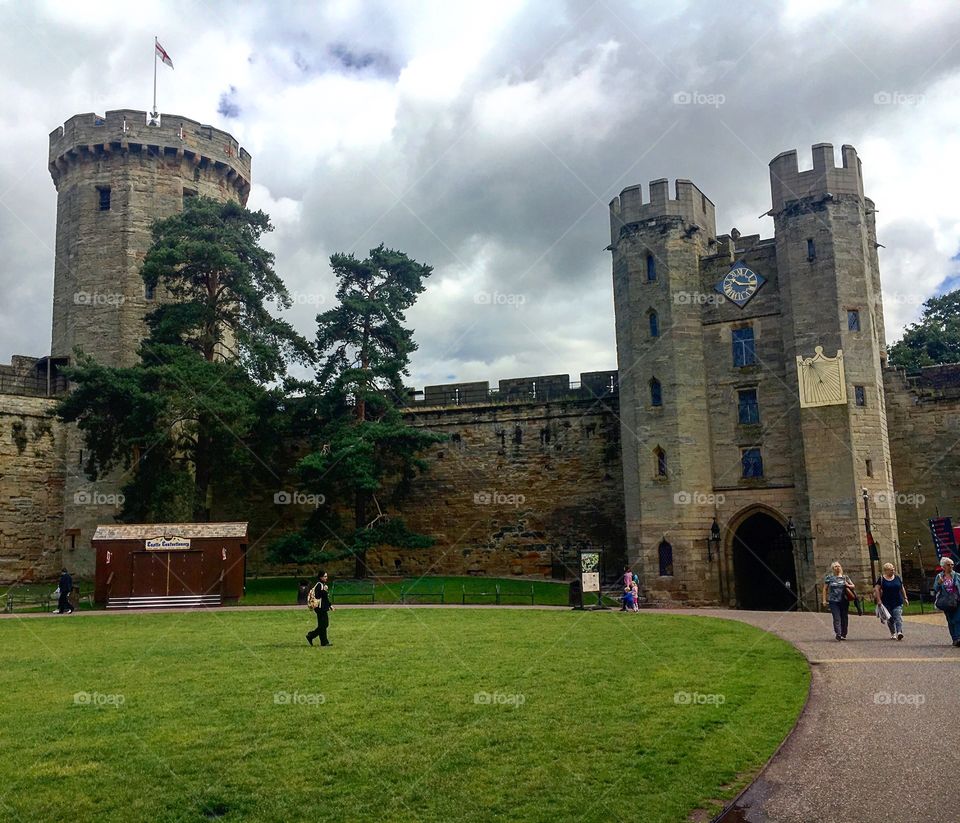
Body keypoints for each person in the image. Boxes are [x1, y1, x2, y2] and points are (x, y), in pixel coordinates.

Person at [873, 562, 908, 640]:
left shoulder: (897, 578)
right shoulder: (881, 579)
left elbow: (902, 588)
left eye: (893, 569)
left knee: (897, 617)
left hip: (897, 601)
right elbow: (876, 589)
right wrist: (879, 600)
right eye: (891, 570)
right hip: (886, 602)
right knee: (890, 619)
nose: (893, 571)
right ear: (886, 571)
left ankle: (899, 632)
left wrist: (905, 598)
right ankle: (893, 633)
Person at [932, 557, 960, 647]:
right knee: (950, 620)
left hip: (957, 600)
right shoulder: (939, 576)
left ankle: (958, 637)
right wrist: (939, 583)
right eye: (948, 565)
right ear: (943, 566)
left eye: (952, 564)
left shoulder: (957, 575)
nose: (951, 566)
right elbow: (935, 589)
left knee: (957, 619)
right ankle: (955, 639)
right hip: (946, 601)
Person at [822, 561, 854, 641]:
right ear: (832, 568)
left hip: (844, 600)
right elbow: (825, 589)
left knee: (844, 617)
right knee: (836, 617)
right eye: (835, 566)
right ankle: (838, 633)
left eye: (839, 566)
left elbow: (853, 586)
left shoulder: (845, 577)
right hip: (833, 601)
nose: (837, 568)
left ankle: (844, 633)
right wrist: (824, 600)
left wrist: (847, 585)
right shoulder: (829, 577)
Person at [306, 571, 333, 647]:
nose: (326, 578)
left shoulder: (321, 585)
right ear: (320, 577)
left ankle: (324, 642)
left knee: (322, 625)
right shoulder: (320, 585)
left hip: (321, 607)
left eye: (326, 576)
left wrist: (329, 605)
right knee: (324, 624)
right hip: (320, 608)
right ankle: (311, 635)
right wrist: (329, 604)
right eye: (324, 576)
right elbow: (322, 596)